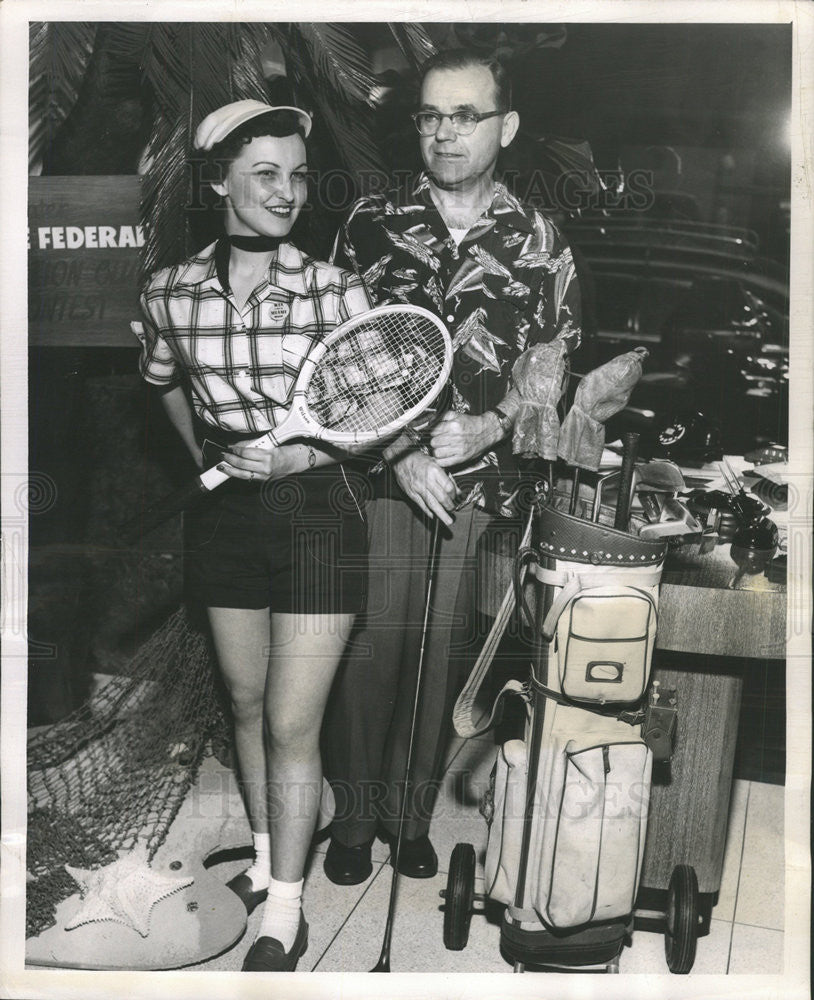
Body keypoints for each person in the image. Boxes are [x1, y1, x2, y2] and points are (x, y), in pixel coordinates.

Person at [322, 50, 582, 885]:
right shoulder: (368, 221)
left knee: (448, 653)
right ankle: (356, 819)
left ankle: (410, 812)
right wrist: (398, 451)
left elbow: (555, 361)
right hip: (385, 478)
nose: (444, 132)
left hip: (486, 486)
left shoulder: (540, 241)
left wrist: (492, 425)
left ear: (505, 126)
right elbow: (338, 357)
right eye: (431, 115)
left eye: (466, 115)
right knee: (375, 650)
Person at [138, 101, 372, 971]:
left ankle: (287, 909)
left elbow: (375, 418)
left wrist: (302, 454)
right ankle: (274, 860)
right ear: (217, 181)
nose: (288, 190)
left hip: (317, 513)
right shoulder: (170, 289)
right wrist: (205, 453)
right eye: (266, 172)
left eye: (299, 173)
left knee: (287, 721)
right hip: (227, 514)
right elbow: (160, 374)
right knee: (241, 705)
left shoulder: (335, 290)